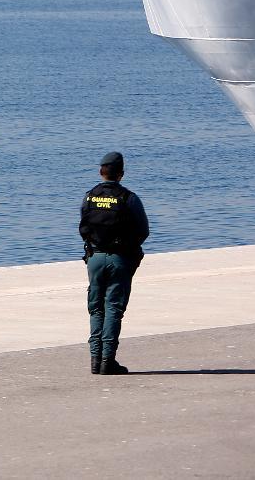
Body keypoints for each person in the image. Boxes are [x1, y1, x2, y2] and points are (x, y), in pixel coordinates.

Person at [80, 150, 149, 375]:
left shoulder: (90, 196)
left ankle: (95, 359)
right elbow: (143, 231)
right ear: (121, 174)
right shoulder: (129, 198)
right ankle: (108, 360)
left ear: (101, 172)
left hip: (95, 258)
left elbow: (83, 227)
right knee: (113, 308)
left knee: (96, 308)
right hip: (120, 258)